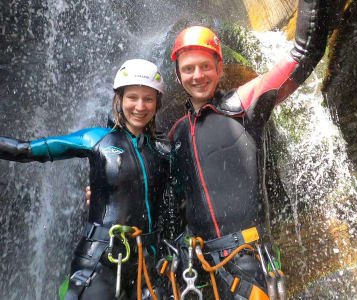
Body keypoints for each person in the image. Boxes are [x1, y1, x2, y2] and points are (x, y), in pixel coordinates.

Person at [167, 0, 330, 299]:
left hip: (249, 258)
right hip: (201, 270)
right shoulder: (177, 132)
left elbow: (305, 53)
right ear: (178, 76)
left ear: (219, 67)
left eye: (206, 66)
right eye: (188, 69)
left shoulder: (244, 103)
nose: (198, 75)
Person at [0, 59, 169, 300]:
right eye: (132, 97)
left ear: (157, 103)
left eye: (148, 99)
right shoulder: (96, 138)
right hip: (99, 259)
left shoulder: (162, 150)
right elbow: (25, 150)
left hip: (147, 265)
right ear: (119, 99)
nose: (140, 106)